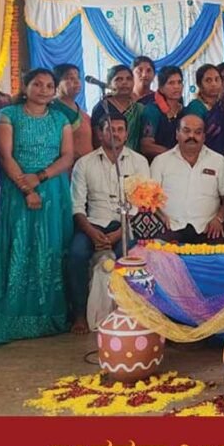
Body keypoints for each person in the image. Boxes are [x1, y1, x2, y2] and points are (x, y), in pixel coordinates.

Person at [0, 68, 74, 344]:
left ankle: (50, 316)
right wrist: (26, 187)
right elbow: (4, 157)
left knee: (52, 248)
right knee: (18, 246)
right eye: (37, 84)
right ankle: (11, 320)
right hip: (16, 187)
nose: (44, 90)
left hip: (53, 189)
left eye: (49, 85)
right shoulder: (8, 115)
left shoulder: (60, 119)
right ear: (25, 86)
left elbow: (67, 156)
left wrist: (42, 177)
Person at [69, 113, 149, 334]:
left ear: (127, 133)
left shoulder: (138, 162)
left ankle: (132, 313)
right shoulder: (84, 164)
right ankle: (79, 315)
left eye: (120, 129)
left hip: (125, 225)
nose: (115, 134)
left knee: (134, 256)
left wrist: (119, 233)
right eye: (110, 129)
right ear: (99, 132)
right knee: (76, 255)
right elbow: (76, 206)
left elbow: (141, 203)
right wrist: (92, 233)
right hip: (91, 225)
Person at [151, 113, 224, 245]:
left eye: (198, 132)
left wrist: (219, 219)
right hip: (169, 226)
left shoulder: (218, 161)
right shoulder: (161, 161)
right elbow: (150, 197)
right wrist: (159, 217)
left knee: (219, 258)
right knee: (156, 253)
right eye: (186, 131)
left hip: (207, 228)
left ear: (204, 136)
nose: (191, 136)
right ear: (177, 134)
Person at [90, 64, 145, 152]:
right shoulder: (102, 107)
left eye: (129, 79)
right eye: (119, 79)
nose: (124, 82)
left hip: (134, 159)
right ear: (109, 84)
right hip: (109, 157)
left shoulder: (139, 108)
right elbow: (97, 140)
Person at [185, 63, 224, 157]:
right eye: (208, 80)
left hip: (223, 158)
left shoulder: (223, 106)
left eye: (217, 79)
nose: (214, 84)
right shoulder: (196, 107)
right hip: (200, 157)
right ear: (200, 84)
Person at [139, 66, 186, 161]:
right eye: (171, 83)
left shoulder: (184, 111)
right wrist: (173, 155)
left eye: (179, 82)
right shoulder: (152, 111)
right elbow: (146, 146)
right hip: (156, 164)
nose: (176, 86)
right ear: (161, 88)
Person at [52, 63, 93, 159]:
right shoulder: (53, 108)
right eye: (70, 78)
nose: (76, 81)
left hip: (86, 166)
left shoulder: (82, 112)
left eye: (78, 77)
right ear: (57, 84)